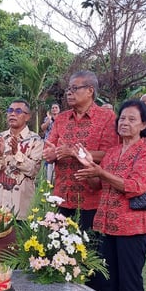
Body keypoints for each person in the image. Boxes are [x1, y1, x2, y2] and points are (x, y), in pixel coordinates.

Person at [74, 99, 146, 291]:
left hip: (133, 227)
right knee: (108, 279)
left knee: (129, 281)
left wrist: (100, 173)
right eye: (122, 118)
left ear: (143, 124)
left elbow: (134, 186)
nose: (125, 122)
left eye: (132, 119)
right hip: (107, 225)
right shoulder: (111, 152)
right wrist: (89, 169)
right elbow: (97, 186)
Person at [43, 71, 118, 229]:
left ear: (90, 91)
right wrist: (51, 154)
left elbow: (110, 154)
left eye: (75, 88)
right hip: (61, 196)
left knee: (88, 249)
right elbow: (50, 147)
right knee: (58, 249)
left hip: (91, 198)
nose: (69, 92)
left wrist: (73, 152)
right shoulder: (61, 118)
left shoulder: (107, 117)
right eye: (68, 89)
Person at [0, 99, 43, 219]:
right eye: (10, 110)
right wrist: (0, 156)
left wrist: (16, 153)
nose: (12, 114)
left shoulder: (35, 141)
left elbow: (33, 170)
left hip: (20, 207)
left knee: (19, 236)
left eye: (18, 111)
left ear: (27, 117)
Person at [41, 102, 61, 182]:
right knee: (48, 161)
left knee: (58, 160)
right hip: (49, 143)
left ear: (59, 109)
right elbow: (43, 128)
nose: (54, 109)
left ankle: (56, 179)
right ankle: (48, 180)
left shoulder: (61, 118)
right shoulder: (47, 118)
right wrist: (49, 120)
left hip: (58, 143)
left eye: (56, 107)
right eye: (53, 108)